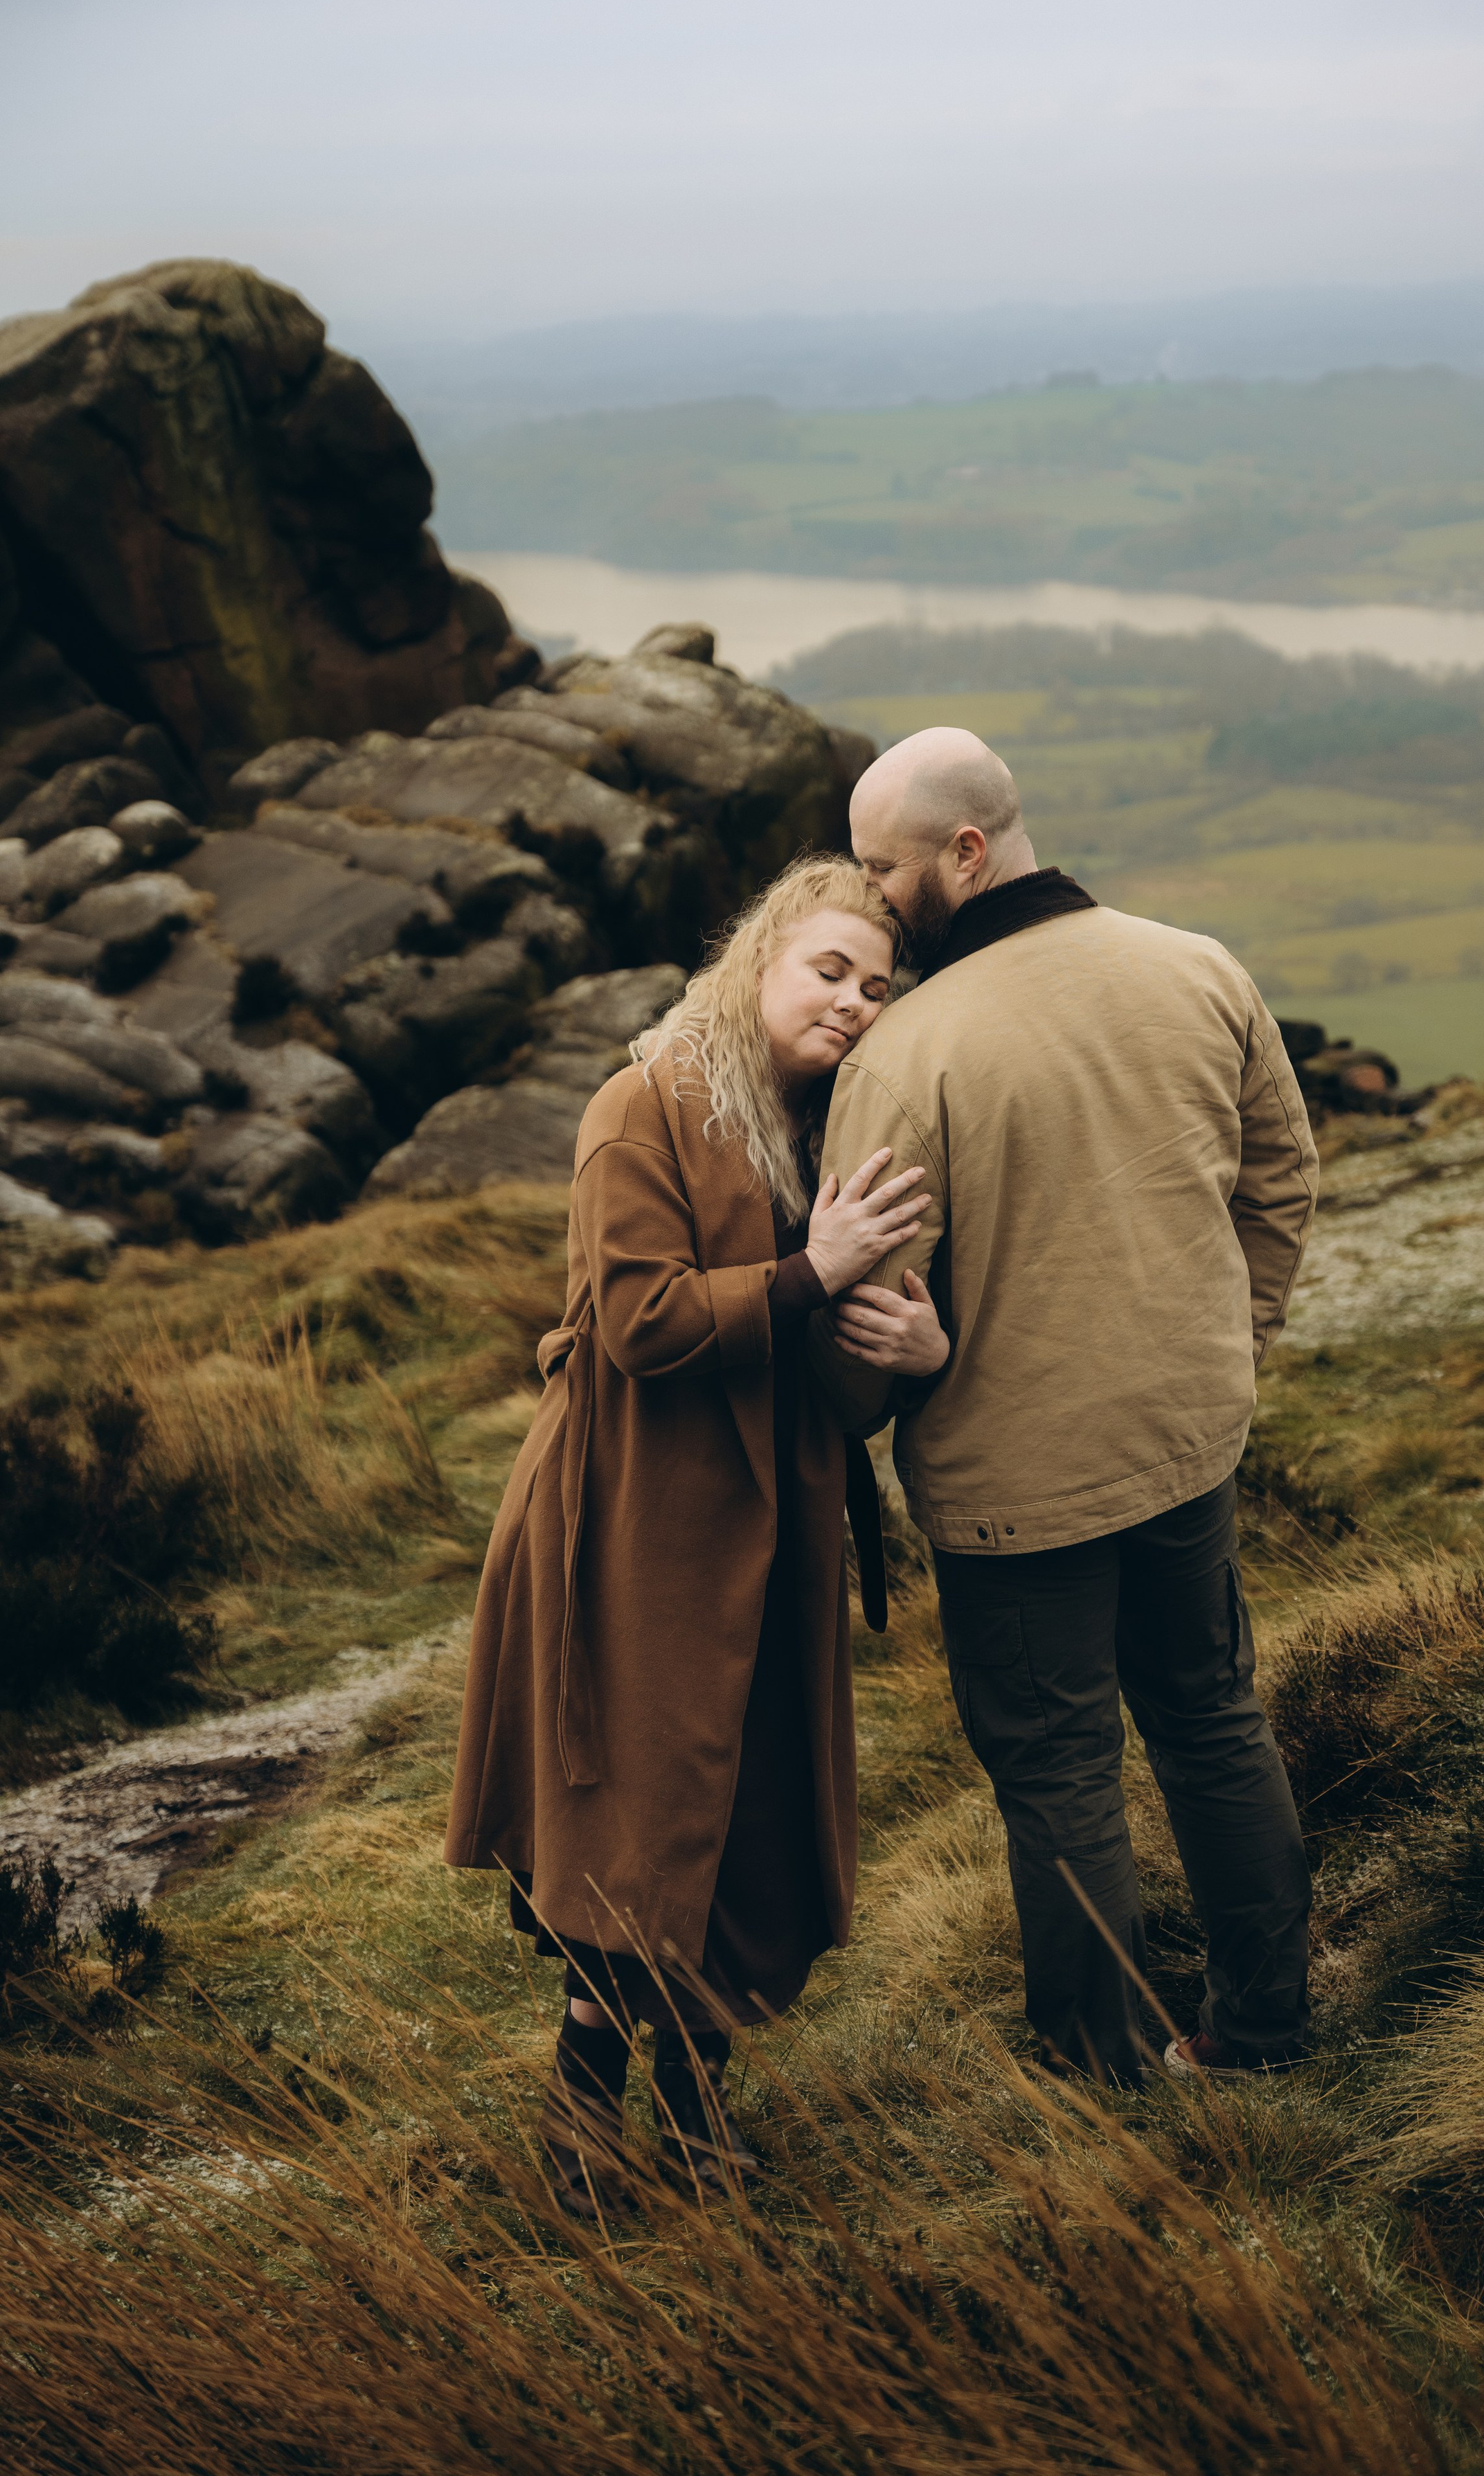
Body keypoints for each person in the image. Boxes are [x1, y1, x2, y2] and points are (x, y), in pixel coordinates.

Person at [808, 728, 1318, 2086]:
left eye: (885, 869)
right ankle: (1262, 2035)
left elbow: (864, 1325)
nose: (870, 900)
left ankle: (1100, 2079)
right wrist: (1230, 1348)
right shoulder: (1196, 966)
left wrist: (890, 1380)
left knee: (1059, 1778)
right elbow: (1282, 1184)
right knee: (1211, 1721)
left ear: (964, 853)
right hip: (1187, 1444)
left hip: (1010, 1494)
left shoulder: (903, 1059)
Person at [444, 856, 928, 2208]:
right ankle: (589, 2133)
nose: (850, 1003)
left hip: (776, 1533)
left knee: (744, 1820)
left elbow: (843, 1365)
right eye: (827, 970)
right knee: (641, 1834)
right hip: (635, 1528)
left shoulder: (834, 1128)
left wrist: (909, 1342)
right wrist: (807, 1272)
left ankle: (691, 2119)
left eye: (876, 988)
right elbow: (640, 1325)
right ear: (758, 959)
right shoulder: (642, 1103)